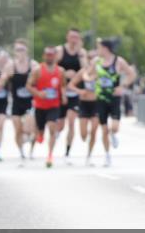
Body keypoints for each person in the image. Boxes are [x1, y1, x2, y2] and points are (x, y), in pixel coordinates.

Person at [93, 38, 136, 167]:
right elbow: (87, 73)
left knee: (115, 127)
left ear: (105, 48)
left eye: (99, 48)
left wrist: (122, 86)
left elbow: (131, 74)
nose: (98, 50)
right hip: (101, 98)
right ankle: (107, 155)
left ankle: (113, 134)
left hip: (114, 98)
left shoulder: (118, 61)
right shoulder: (96, 61)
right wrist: (89, 78)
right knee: (104, 129)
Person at [0, 39, 38, 163]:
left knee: (30, 129)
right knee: (18, 130)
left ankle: (31, 149)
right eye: (17, 50)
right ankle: (22, 152)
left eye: (22, 49)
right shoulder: (11, 66)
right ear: (14, 52)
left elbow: (41, 77)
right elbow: (2, 78)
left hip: (30, 102)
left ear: (27, 51)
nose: (20, 52)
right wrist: (1, 82)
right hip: (16, 102)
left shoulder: (33, 65)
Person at [28, 46, 66, 168]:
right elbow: (29, 86)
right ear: (44, 56)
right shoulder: (38, 70)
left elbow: (63, 86)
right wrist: (38, 93)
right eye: (47, 55)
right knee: (40, 132)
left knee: (52, 127)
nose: (50, 57)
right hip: (40, 105)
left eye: (52, 55)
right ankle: (39, 135)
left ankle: (50, 155)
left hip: (54, 105)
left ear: (55, 56)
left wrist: (64, 95)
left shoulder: (60, 71)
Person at [57, 28, 87, 164]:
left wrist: (81, 55)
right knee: (60, 125)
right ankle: (55, 134)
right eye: (72, 37)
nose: (74, 39)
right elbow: (51, 67)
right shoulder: (60, 51)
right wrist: (63, 73)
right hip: (61, 91)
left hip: (75, 91)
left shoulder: (82, 53)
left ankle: (67, 152)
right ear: (67, 37)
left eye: (76, 37)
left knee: (71, 122)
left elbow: (87, 71)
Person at [67, 52, 99, 166]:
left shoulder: (101, 73)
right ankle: (85, 140)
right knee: (83, 134)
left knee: (94, 130)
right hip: (84, 103)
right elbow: (70, 85)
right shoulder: (83, 72)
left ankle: (89, 155)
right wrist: (80, 91)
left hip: (96, 103)